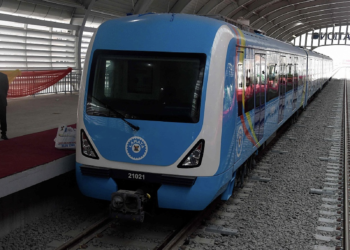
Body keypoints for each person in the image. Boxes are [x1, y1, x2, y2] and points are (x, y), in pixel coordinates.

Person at [0, 72, 9, 140]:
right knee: (3, 117)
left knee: (3, 117)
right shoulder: (4, 76)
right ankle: (4, 134)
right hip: (2, 99)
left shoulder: (4, 76)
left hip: (2, 99)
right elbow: (6, 88)